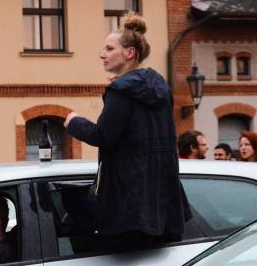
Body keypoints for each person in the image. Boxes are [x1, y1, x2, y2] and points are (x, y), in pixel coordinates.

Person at [63, 13, 190, 246]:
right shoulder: (160, 86)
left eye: (109, 49)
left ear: (129, 53)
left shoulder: (121, 91)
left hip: (131, 207)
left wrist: (74, 122)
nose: (102, 54)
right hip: (162, 202)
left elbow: (104, 136)